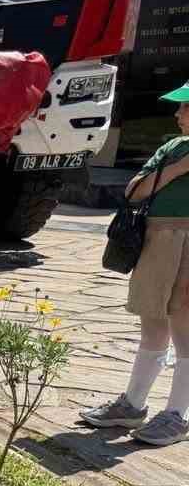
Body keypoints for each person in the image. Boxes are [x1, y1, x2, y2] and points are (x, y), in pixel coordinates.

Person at [80, 81, 189, 448]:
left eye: (185, 107)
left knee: (185, 329)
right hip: (157, 241)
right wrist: (177, 169)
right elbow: (133, 191)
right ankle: (133, 404)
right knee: (152, 321)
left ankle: (177, 415)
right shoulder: (172, 148)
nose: (177, 114)